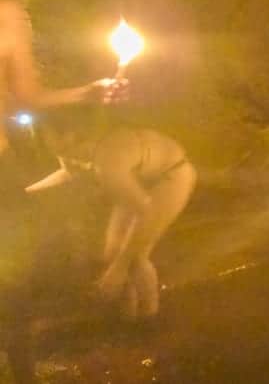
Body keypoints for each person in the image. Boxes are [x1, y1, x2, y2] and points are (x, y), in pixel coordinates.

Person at [25, 120, 196, 321]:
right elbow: (68, 173)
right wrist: (27, 191)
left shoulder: (108, 161)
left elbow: (144, 211)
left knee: (135, 256)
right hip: (137, 182)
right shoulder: (68, 153)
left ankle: (150, 315)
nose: (39, 137)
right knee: (112, 252)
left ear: (69, 135)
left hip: (171, 177)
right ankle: (128, 315)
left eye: (46, 133)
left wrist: (118, 269)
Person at [0, 0, 116, 156]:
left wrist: (87, 93)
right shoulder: (10, 14)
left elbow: (28, 96)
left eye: (24, 22)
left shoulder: (8, 10)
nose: (25, 28)